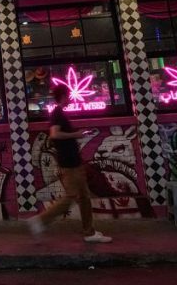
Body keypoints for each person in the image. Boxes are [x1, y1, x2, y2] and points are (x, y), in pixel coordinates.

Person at [26, 83, 113, 243]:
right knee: (72, 197)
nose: (71, 99)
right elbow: (55, 134)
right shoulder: (57, 114)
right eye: (69, 96)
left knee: (84, 197)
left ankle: (89, 232)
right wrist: (76, 134)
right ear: (64, 96)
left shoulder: (59, 113)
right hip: (69, 163)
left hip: (73, 162)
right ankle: (41, 220)